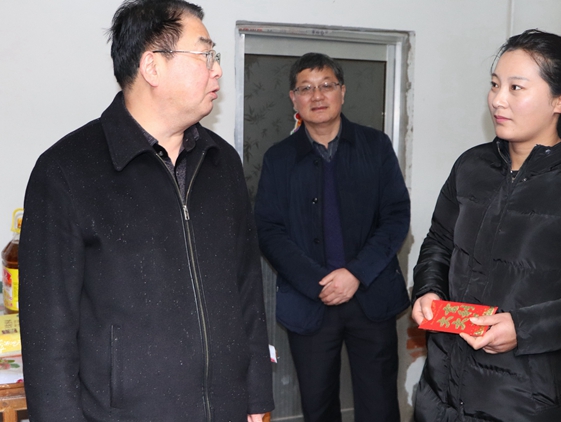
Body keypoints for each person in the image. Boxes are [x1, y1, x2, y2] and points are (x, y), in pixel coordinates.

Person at [19, 1, 274, 421]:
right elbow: (48, 334)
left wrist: (257, 398)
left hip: (226, 408)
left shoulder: (221, 162)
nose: (217, 70)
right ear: (152, 66)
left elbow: (247, 288)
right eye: (205, 54)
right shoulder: (67, 171)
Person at [412, 29, 561, 422]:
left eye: (516, 87)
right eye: (495, 84)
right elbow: (439, 242)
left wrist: (524, 328)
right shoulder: (472, 166)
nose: (498, 99)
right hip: (443, 391)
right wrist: (429, 289)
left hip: (528, 401)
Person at [254, 52, 411, 422]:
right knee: (318, 406)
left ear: (342, 91)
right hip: (311, 301)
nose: (317, 95)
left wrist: (355, 273)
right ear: (293, 98)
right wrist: (318, 282)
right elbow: (269, 230)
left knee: (379, 406)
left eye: (326, 85)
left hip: (371, 295)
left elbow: (395, 217)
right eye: (306, 88)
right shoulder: (279, 158)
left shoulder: (375, 146)